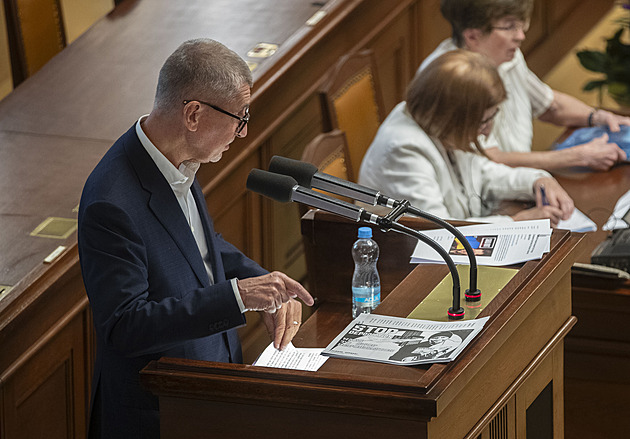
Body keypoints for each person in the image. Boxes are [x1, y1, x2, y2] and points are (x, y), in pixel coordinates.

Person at [77, 39, 314, 439]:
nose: (242, 132)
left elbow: (198, 247)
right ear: (193, 115)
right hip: (158, 415)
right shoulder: (111, 202)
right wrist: (238, 296)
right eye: (239, 117)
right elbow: (125, 325)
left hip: (207, 392)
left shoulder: (177, 160)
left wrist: (265, 284)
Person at [359, 49, 574, 225]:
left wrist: (537, 180)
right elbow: (438, 229)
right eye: (483, 121)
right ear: (453, 116)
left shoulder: (440, 123)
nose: (488, 131)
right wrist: (515, 221)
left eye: (492, 118)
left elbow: (483, 172)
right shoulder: (403, 149)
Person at [419, 0, 630, 172]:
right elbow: (490, 158)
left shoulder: (508, 56)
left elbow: (550, 104)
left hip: (521, 182)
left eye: (521, 24)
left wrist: (596, 117)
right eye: (510, 26)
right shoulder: (448, 80)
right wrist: (579, 156)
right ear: (473, 36)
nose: (521, 36)